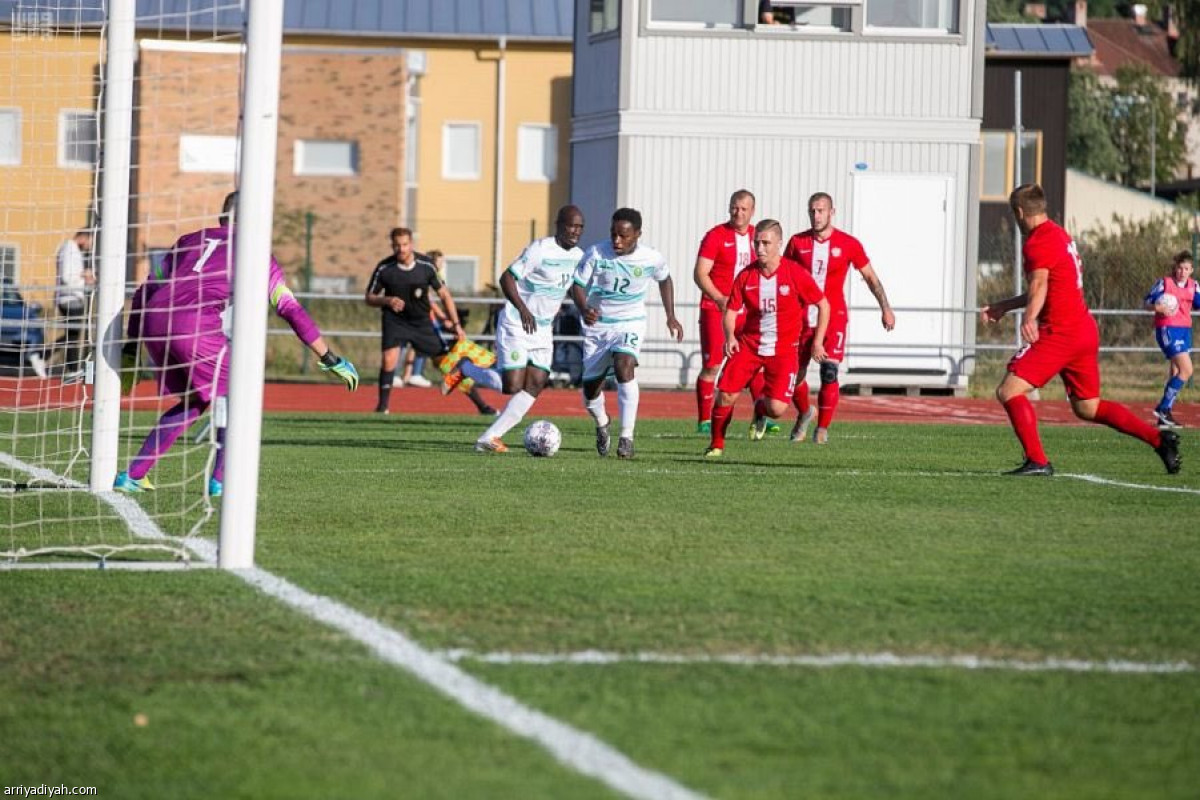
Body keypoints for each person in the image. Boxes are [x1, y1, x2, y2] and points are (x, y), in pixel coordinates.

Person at [114, 191, 359, 496]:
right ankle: (221, 481)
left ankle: (134, 474)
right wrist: (329, 357)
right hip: (193, 327)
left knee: (196, 400)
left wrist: (131, 346)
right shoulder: (256, 252)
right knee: (237, 394)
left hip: (154, 322)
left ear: (222, 217)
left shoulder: (190, 240)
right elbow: (289, 308)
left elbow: (146, 290)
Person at [981, 183, 1180, 476]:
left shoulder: (1037, 242)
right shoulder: (1059, 235)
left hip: (1060, 334)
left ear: (1020, 212)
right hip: (1083, 330)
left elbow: (1039, 285)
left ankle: (1038, 461)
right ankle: (1159, 440)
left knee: (1009, 390)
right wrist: (1005, 306)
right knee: (1088, 407)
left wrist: (1029, 318)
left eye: (1015, 215)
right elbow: (1050, 285)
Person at [704, 220, 829, 458]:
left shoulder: (794, 273)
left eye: (765, 243)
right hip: (749, 345)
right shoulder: (746, 275)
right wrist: (730, 337)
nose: (759, 248)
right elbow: (731, 311)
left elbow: (823, 305)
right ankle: (716, 445)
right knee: (726, 395)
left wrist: (818, 342)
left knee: (777, 409)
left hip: (784, 349)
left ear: (779, 244)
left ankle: (759, 410)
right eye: (756, 243)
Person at [466, 205, 585, 453]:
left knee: (536, 383)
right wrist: (522, 308)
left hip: (542, 329)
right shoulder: (540, 249)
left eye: (579, 227)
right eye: (571, 226)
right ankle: (465, 367)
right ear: (558, 225)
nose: (575, 231)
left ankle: (489, 437)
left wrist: (585, 308)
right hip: (517, 322)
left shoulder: (578, 256)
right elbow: (506, 278)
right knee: (511, 385)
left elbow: (573, 286)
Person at [571, 208, 684, 459]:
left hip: (630, 323)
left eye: (623, 236)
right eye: (613, 234)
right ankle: (602, 422)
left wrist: (671, 316)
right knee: (590, 391)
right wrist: (584, 308)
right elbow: (576, 285)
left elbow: (665, 279)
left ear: (637, 235)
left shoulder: (651, 258)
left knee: (624, 366)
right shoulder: (596, 253)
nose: (617, 240)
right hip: (598, 327)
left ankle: (626, 437)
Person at [783, 192, 895, 444]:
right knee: (794, 375)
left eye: (821, 210)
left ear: (832, 212)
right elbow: (783, 275)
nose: (816, 216)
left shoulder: (848, 243)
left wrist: (885, 308)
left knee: (829, 372)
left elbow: (870, 277)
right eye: (812, 211)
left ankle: (822, 429)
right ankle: (804, 412)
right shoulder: (797, 242)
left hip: (834, 317)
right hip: (802, 318)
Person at [693, 190, 774, 436]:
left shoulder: (758, 238)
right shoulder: (716, 236)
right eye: (734, 208)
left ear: (753, 211)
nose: (738, 213)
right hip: (715, 309)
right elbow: (700, 273)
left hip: (748, 313)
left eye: (744, 209)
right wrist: (719, 298)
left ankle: (761, 415)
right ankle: (704, 419)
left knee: (755, 363)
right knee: (712, 365)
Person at [364, 228, 469, 414]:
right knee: (389, 359)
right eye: (397, 245)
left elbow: (444, 295)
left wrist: (456, 325)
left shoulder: (426, 265)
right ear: (392, 245)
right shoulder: (385, 268)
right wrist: (387, 300)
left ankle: (482, 405)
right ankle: (382, 408)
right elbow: (369, 297)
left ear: (411, 244)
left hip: (421, 322)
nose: (401, 249)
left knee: (446, 364)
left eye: (405, 244)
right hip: (395, 321)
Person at [1144, 250, 1197, 429]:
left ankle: (1164, 417)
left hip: (1184, 331)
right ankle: (1163, 408)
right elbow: (1147, 303)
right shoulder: (1164, 283)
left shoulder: (1194, 286)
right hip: (1168, 329)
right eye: (1180, 268)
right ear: (1175, 268)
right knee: (1187, 370)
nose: (1182, 272)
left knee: (1176, 371)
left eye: (1186, 269)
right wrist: (1157, 307)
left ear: (1191, 270)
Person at [397, 249, 445, 389]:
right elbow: (428, 299)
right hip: (424, 316)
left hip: (423, 314)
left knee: (414, 346)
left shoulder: (432, 274)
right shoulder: (426, 273)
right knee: (426, 345)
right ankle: (414, 374)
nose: (442, 264)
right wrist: (441, 315)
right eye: (440, 261)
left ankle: (408, 375)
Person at [54, 228, 93, 382]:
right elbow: (66, 277)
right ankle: (42, 355)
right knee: (74, 334)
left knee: (74, 334)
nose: (90, 246)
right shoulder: (69, 249)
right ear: (83, 237)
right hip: (70, 299)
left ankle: (74, 370)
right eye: (90, 241)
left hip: (75, 298)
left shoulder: (74, 251)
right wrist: (84, 276)